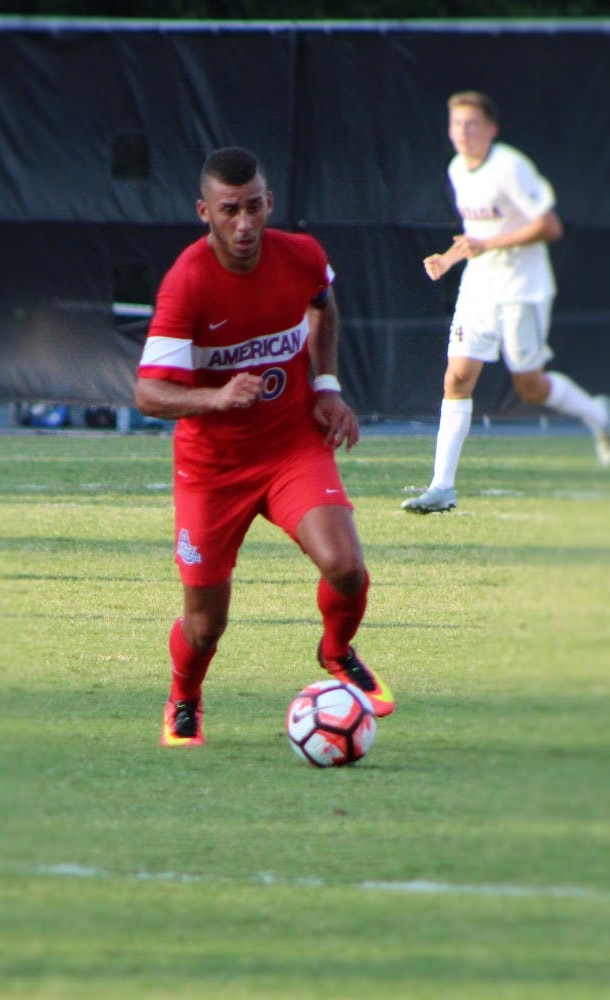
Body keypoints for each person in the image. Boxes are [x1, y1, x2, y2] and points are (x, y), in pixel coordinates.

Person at [135, 146, 395, 747]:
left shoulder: (302, 256)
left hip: (290, 448)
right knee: (204, 626)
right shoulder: (187, 284)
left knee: (347, 568)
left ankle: (336, 652)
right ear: (206, 211)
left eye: (255, 207)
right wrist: (215, 399)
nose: (245, 223)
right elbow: (148, 394)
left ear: (269, 202)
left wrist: (326, 387)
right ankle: (184, 698)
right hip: (212, 470)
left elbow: (322, 308)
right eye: (230, 211)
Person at [403, 90, 610, 514]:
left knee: (529, 387)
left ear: (491, 129)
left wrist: (489, 243)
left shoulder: (510, 167)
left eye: (471, 123)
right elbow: (475, 236)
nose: (463, 132)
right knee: (457, 377)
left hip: (522, 289)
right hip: (479, 287)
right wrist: (448, 258)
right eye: (456, 124)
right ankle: (441, 487)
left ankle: (599, 414)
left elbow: (549, 226)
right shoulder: (457, 169)